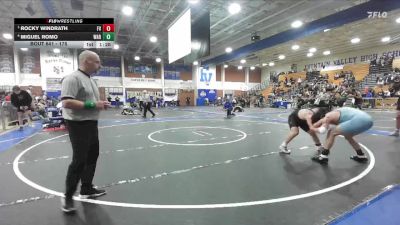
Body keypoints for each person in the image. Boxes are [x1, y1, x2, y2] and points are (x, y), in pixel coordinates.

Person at [60, 50, 110, 213]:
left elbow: (89, 101)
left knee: (92, 156)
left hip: (91, 123)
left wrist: (99, 103)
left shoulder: (90, 80)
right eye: (97, 62)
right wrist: (92, 105)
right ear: (87, 61)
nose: (99, 65)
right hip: (78, 124)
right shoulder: (72, 78)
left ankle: (86, 189)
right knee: (79, 160)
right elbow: (66, 102)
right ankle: (67, 197)